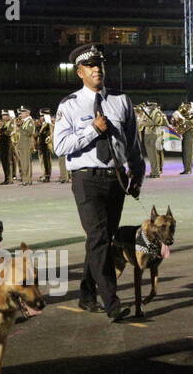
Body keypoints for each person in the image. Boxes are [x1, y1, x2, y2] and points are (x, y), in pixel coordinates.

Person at [53, 43, 144, 321]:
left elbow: (132, 143)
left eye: (100, 65)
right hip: (86, 179)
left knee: (101, 239)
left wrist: (137, 173)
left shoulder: (121, 100)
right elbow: (60, 145)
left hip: (115, 178)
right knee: (99, 238)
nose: (97, 69)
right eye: (91, 66)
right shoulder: (69, 105)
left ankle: (86, 294)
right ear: (80, 72)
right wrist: (92, 129)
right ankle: (112, 302)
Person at [13, 106, 36, 186]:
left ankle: (27, 180)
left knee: (26, 163)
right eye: (20, 113)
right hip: (21, 144)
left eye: (22, 112)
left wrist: (20, 127)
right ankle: (24, 179)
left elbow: (29, 132)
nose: (21, 114)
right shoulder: (24, 121)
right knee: (22, 163)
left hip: (26, 144)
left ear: (27, 113)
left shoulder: (30, 121)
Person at [173, 101, 193, 174]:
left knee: (188, 152)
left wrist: (182, 120)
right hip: (184, 134)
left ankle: (188, 169)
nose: (186, 106)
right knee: (184, 152)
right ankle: (186, 168)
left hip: (190, 135)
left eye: (188, 105)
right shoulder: (185, 113)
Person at [36, 108, 55, 181]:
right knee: (42, 161)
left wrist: (49, 138)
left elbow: (52, 133)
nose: (41, 118)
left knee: (46, 161)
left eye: (43, 116)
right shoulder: (42, 124)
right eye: (41, 116)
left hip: (46, 145)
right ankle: (44, 174)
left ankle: (47, 176)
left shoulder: (49, 124)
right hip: (41, 145)